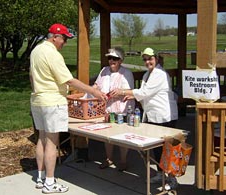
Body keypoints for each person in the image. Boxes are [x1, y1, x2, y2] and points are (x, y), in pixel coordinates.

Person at [30, 23, 107, 194]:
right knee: (51, 142)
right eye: (63, 38)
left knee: (41, 139)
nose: (64, 42)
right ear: (54, 37)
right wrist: (94, 91)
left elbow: (31, 76)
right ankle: (50, 183)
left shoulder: (36, 51)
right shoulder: (53, 54)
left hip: (37, 100)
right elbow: (69, 80)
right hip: (52, 101)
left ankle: (40, 178)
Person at [109, 47, 178, 189]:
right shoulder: (148, 74)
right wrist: (132, 95)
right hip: (153, 115)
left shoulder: (159, 74)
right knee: (157, 148)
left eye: (150, 59)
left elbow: (144, 92)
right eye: (145, 59)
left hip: (165, 116)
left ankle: (172, 179)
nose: (147, 62)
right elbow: (144, 94)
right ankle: (160, 174)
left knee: (168, 149)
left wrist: (123, 91)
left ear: (156, 59)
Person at [93, 47, 135, 171]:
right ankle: (109, 158)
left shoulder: (126, 73)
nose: (112, 61)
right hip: (107, 109)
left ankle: (123, 161)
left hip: (122, 110)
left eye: (115, 58)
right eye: (110, 58)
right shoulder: (104, 71)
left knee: (122, 136)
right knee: (108, 136)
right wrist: (91, 91)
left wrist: (120, 92)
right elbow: (96, 85)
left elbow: (130, 92)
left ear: (120, 60)